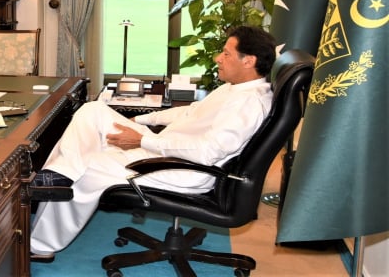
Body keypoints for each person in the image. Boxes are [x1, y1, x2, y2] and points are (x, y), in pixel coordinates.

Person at [29, 25, 277, 262]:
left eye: (226, 53)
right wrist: (139, 120)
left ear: (249, 61)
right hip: (168, 145)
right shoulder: (235, 88)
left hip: (183, 169)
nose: (217, 58)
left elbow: (208, 152)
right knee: (93, 110)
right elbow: (190, 112)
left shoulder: (248, 104)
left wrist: (142, 141)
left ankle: (40, 246)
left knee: (89, 168)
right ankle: (60, 174)